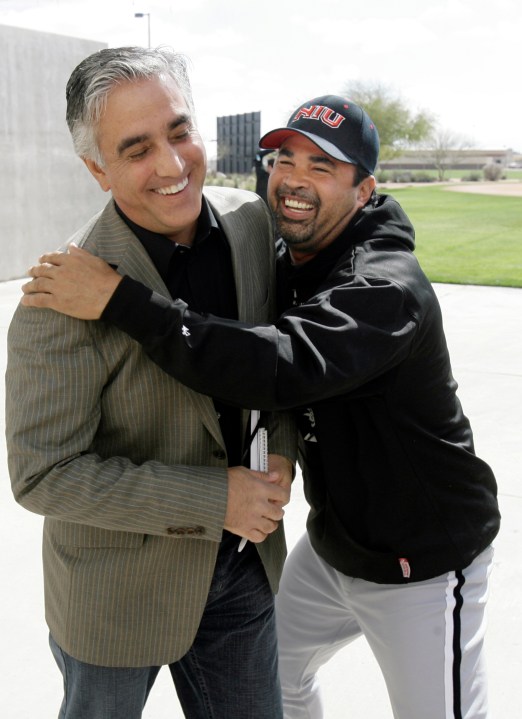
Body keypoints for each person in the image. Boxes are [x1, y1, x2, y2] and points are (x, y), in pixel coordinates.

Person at [22, 94, 501, 719]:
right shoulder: (283, 255)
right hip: (332, 549)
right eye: (286, 159)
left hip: (423, 561)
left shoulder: (384, 288)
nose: (296, 179)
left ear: (364, 191)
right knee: (282, 675)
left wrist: (122, 301)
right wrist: (276, 456)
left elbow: (279, 367)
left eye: (323, 168)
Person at [6, 46, 297, 719]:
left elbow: (273, 363)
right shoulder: (55, 299)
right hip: (114, 599)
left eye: (179, 130)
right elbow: (42, 475)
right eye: (136, 149)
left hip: (246, 570)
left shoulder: (252, 227)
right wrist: (212, 497)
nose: (171, 164)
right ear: (95, 167)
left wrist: (281, 450)